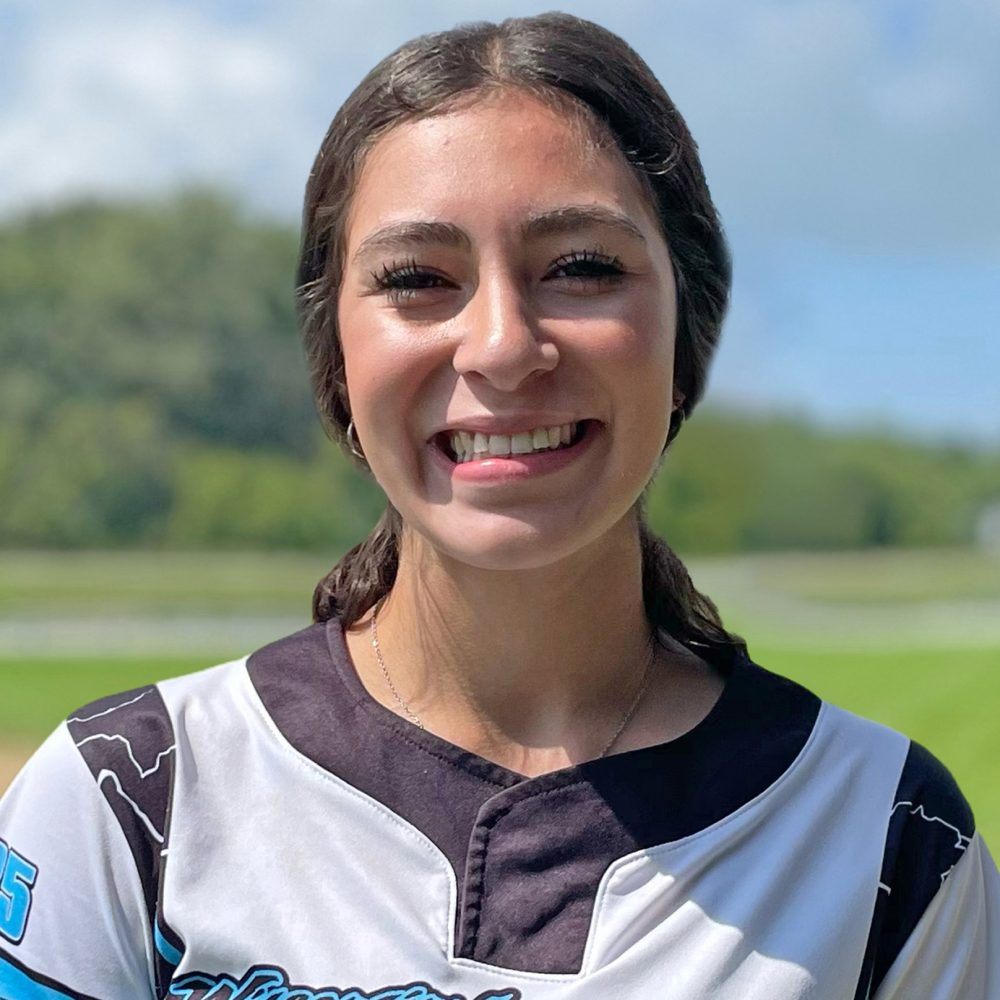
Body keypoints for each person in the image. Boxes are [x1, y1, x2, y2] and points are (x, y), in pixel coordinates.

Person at [1, 13, 997, 1000]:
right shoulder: (130, 798)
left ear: (686, 326)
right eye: (417, 278)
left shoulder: (890, 841)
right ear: (336, 356)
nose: (502, 346)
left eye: (581, 267)